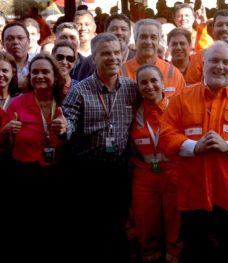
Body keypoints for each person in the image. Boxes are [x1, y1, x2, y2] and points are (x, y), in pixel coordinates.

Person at [158, 41, 228, 263]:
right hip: (193, 195)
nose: (220, 66)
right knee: (196, 253)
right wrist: (194, 147)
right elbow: (165, 134)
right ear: (203, 64)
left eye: (226, 62)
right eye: (214, 61)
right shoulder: (182, 98)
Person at [61, 33, 138, 262]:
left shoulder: (132, 89)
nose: (112, 58)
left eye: (116, 53)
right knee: (91, 233)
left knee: (118, 228)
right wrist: (65, 128)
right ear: (93, 58)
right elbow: (69, 122)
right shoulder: (80, 90)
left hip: (120, 172)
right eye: (106, 53)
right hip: (88, 174)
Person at [0, 53, 67, 261]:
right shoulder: (18, 104)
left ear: (55, 76)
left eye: (45, 71)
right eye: (35, 72)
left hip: (57, 173)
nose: (39, 76)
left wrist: (66, 129)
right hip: (24, 176)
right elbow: (3, 144)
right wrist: (6, 129)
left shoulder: (65, 100)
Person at [130, 64, 181, 263]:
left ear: (163, 84)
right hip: (144, 173)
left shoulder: (177, 106)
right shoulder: (134, 111)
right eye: (143, 82)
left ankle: (174, 254)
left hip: (173, 170)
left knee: (174, 220)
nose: (149, 86)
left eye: (154, 81)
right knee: (145, 220)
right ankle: (150, 255)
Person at [121, 19, 186, 99]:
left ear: (159, 41)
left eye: (153, 37)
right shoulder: (121, 72)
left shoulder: (173, 73)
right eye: (143, 37)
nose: (148, 42)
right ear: (135, 40)